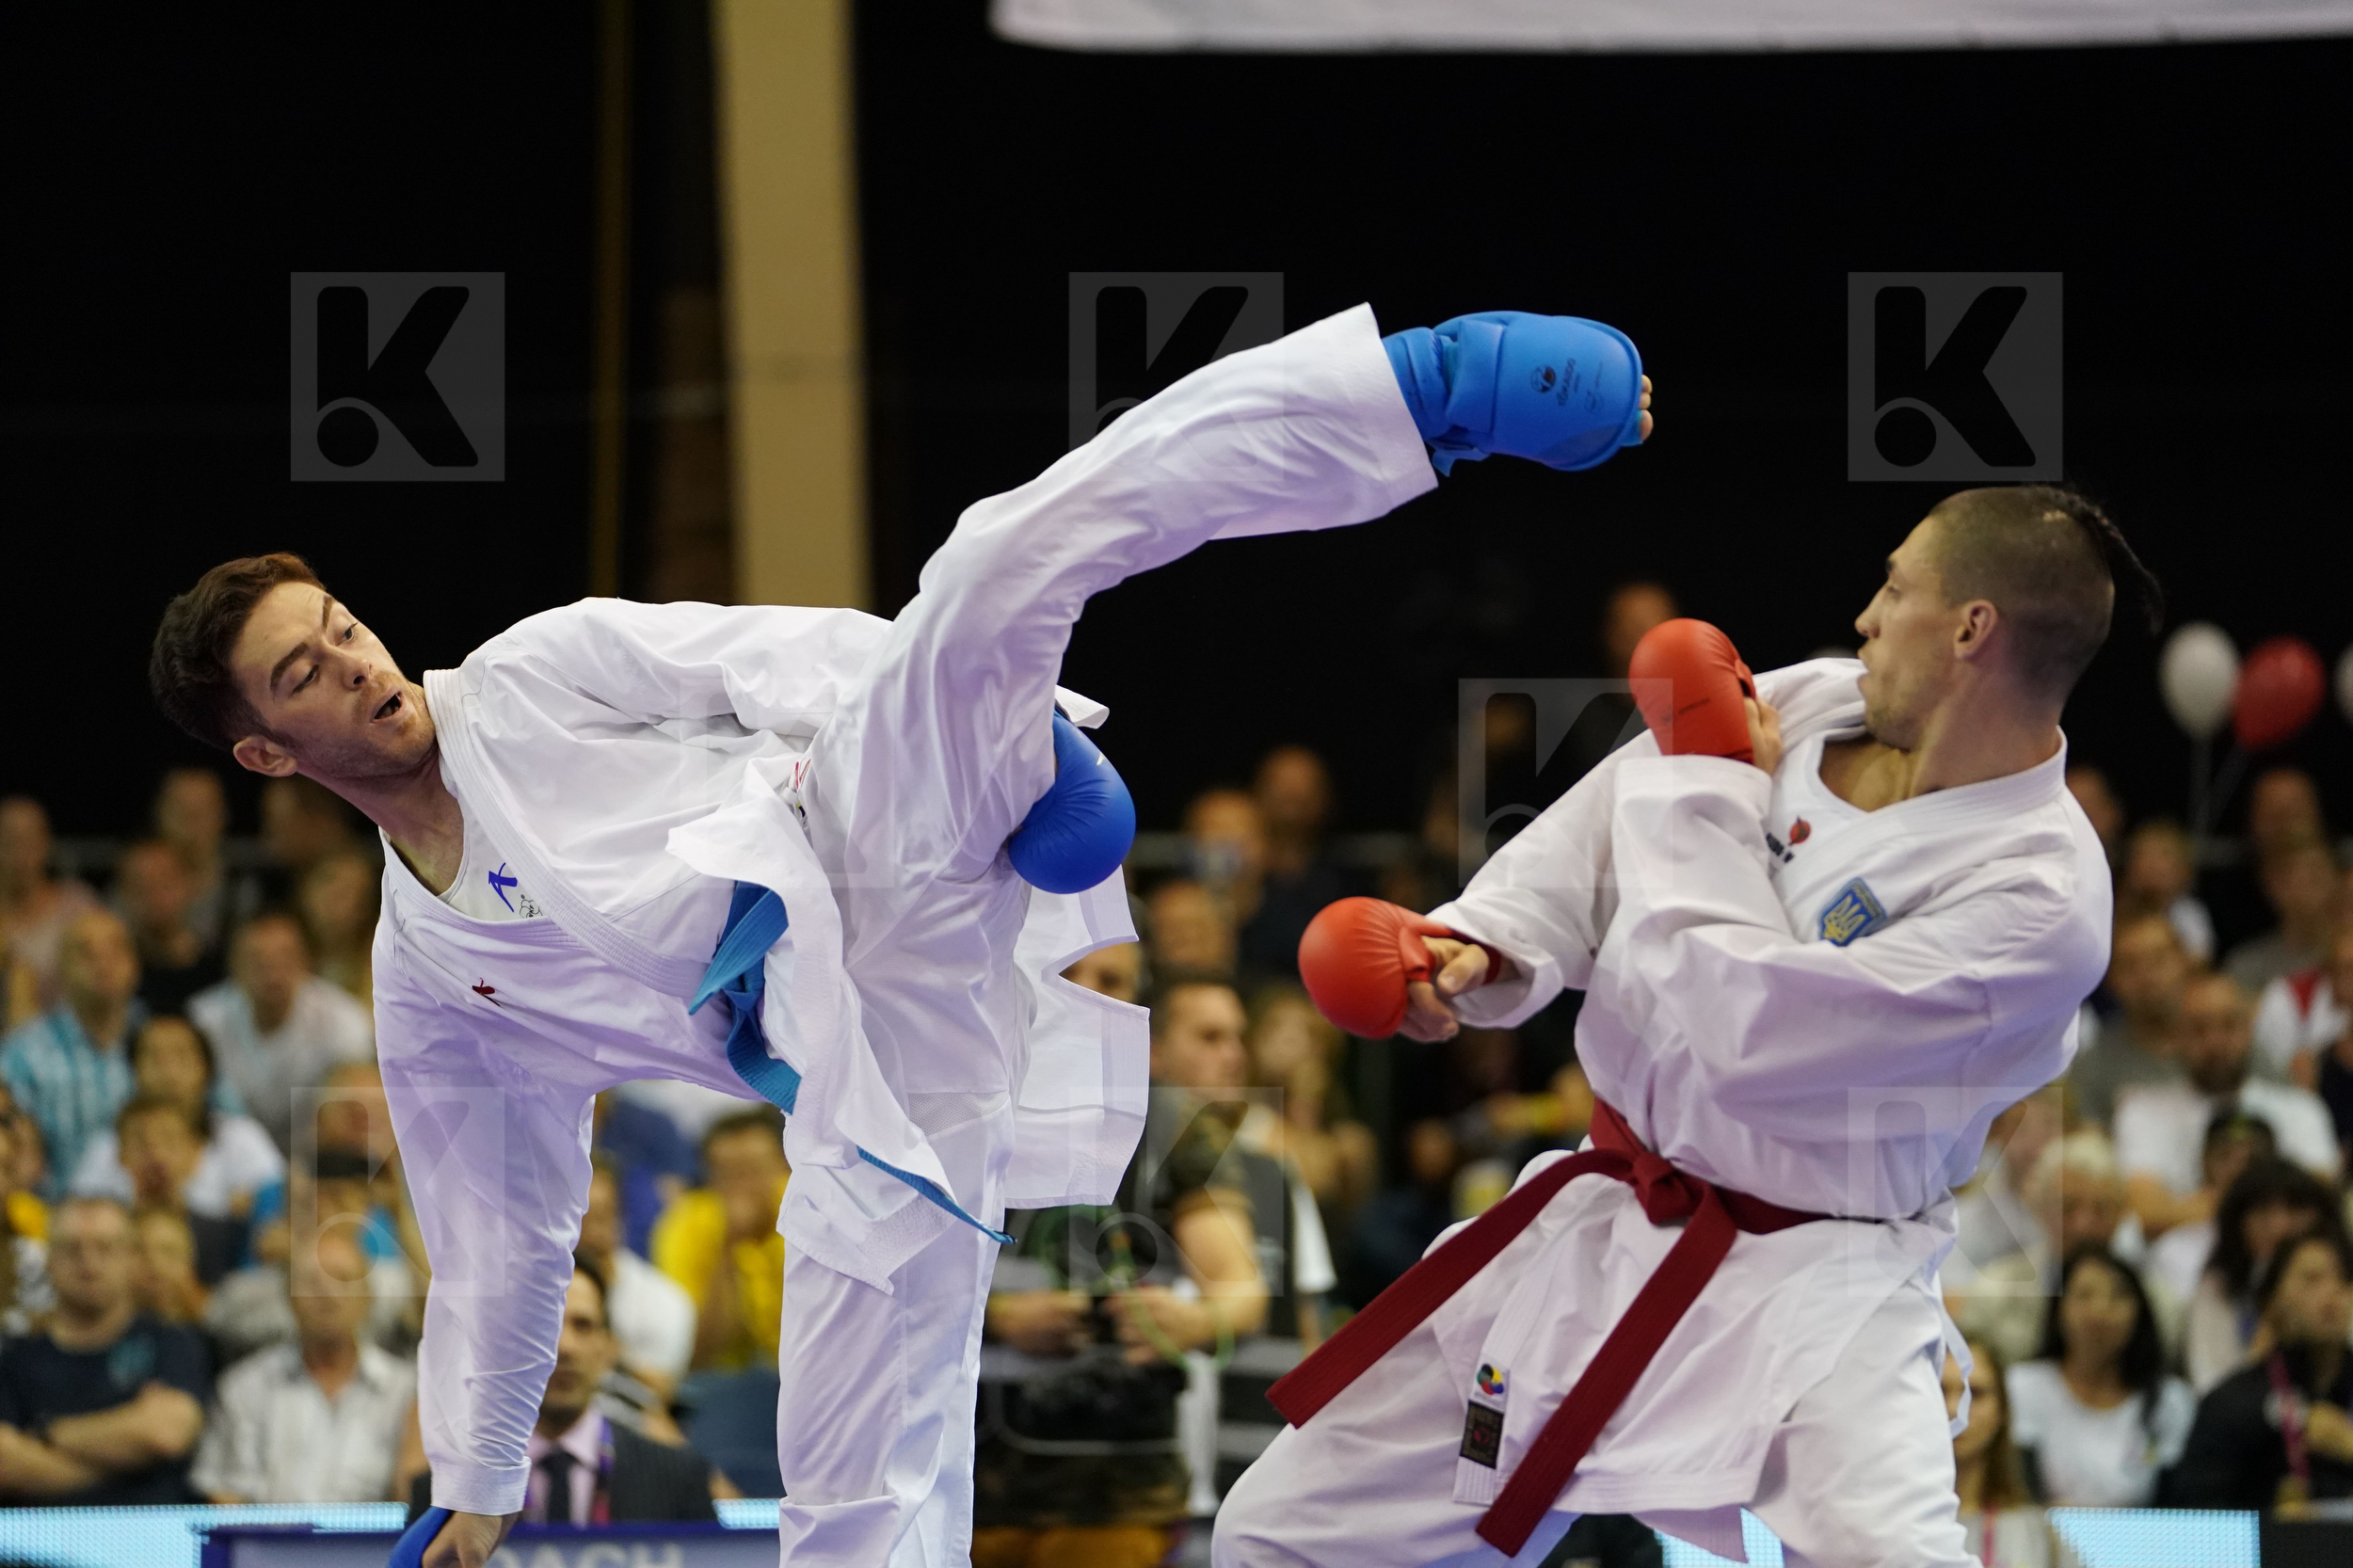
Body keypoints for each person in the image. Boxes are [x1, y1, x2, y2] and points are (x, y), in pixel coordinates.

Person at [151, 301, 1650, 1567]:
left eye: (338, 624)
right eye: (304, 674)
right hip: (875, 1075)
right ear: (268, 755)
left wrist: (998, 739)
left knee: (1000, 562)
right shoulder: (432, 983)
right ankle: (1001, 744)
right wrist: (476, 1483)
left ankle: (1421, 391)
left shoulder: (529, 674)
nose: (353, 664)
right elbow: (499, 1231)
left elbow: (776, 653)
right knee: (847, 1495)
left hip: (863, 815)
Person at [1219, 482, 2146, 1567]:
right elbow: (1603, 829)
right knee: (1281, 1534)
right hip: (1606, 1225)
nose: (1866, 617)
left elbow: (1747, 1033)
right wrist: (1486, 942)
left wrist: (1705, 783)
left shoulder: (2038, 898)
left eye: (1895, 587)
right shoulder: (1810, 698)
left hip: (1816, 1291)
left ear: (1969, 627)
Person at [410, 1258, 718, 1525]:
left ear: (609, 1349)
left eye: (583, 1325)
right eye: (544, 1325)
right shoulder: (446, 1490)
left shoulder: (677, 1479)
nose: (564, 1347)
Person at [0, 1196, 209, 1504]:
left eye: (105, 1248)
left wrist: (46, 1434)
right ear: (49, 1260)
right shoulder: (14, 1357)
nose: (88, 1262)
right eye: (72, 1248)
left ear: (130, 1258)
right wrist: (127, 1454)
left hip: (153, 1541)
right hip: (36, 1545)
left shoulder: (172, 1342)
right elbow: (6, 1463)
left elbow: (165, 1433)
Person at [192, 1225, 415, 1503]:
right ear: (289, 1298)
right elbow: (226, 1494)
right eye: (312, 1282)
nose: (328, 1295)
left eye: (343, 1278)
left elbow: (415, 1499)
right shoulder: (244, 1387)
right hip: (269, 1544)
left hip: (379, 1545)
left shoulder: (406, 1391)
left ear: (368, 1296)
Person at [2112, 970, 2339, 1238]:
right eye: (2199, 1029)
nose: (2215, 1042)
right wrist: (2263, 1204)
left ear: (2250, 1029)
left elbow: (2321, 1201)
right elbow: (2145, 1213)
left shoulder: (2301, 1109)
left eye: (2228, 1025)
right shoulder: (2141, 1112)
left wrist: (2187, 1207)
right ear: (2175, 1036)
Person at [2167, 1224, 2353, 1510]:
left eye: (2344, 1279)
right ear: (2271, 1301)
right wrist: (2269, 1522)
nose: (2332, 1294)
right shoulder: (2231, 1403)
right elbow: (2198, 1518)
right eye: (2312, 1280)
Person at [2006, 1246, 2195, 1507]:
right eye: (2084, 1295)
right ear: (2058, 1307)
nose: (2100, 1310)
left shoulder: (2170, 1400)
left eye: (2117, 1296)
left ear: (2140, 1311)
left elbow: (2178, 1502)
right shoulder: (2023, 1387)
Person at [188, 911, 374, 1152]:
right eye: (257, 961)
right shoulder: (202, 1020)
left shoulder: (346, 1023)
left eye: (283, 958)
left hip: (322, 1156)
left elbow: (360, 1110)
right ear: (234, 965)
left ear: (307, 961)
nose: (272, 972)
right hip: (229, 1157)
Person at [69, 1014, 283, 1220]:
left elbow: (277, 1205)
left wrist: (252, 1213)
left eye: (181, 1055)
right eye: (154, 1057)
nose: (168, 1070)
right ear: (134, 1071)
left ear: (207, 1070)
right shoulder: (106, 1148)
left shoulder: (240, 1137)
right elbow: (79, 1214)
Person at [0, 908, 141, 1199]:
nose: (103, 964)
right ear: (61, 968)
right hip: (52, 1219)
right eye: (87, 954)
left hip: (144, 1224)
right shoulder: (23, 1053)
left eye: (115, 952)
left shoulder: (162, 1040)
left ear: (135, 965)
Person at [2180, 1157, 2338, 1393]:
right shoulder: (2218, 1287)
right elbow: (2210, 1386)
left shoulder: (2343, 1282)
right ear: (2238, 1222)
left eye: (2294, 1209)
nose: (2280, 1226)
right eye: (2263, 1211)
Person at [650, 1108, 789, 1373]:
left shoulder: (813, 1212)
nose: (743, 1189)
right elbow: (698, 1354)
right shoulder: (687, 1222)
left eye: (755, 1171)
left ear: (785, 1166)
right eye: (729, 1175)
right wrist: (729, 1246)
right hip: (728, 1382)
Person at [577, 1157, 696, 1400]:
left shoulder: (665, 1303)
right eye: (575, 1220)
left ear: (620, 1219)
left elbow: (658, 1396)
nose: (585, 1234)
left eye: (599, 1217)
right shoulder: (523, 1293)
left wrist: (618, 1360)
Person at [2066, 912, 2190, 1128]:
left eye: (2157, 960)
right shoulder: (2094, 1063)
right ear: (2110, 978)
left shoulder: (2220, 1038)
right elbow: (2087, 1140)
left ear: (2184, 961)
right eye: (2130, 966)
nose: (2146, 976)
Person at [1944, 1336, 2054, 1568]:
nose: (1954, 1410)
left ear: (2003, 1411)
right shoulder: (1884, 1524)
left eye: (1975, 1393)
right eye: (1940, 1391)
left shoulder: (2039, 1532)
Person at [0, 797, 102, 1031]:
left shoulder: (78, 907)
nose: (19, 851)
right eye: (9, 839)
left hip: (68, 1043)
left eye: (28, 839)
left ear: (46, 842)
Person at [114, 840, 225, 1018]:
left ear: (190, 885)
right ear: (123, 894)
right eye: (140, 885)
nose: (154, 894)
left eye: (164, 881)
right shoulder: (115, 981)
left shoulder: (221, 971)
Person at [2224, 831, 2342, 995]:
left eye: (2316, 872)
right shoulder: (2246, 965)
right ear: (2271, 884)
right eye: (2299, 876)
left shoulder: (2346, 958)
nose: (2312, 887)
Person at [153, 767, 253, 953]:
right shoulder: (135, 887)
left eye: (202, 812)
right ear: (159, 815)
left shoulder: (242, 892)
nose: (191, 823)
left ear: (222, 817)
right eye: (180, 812)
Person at [2119, 818, 2216, 966]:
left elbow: (2200, 961)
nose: (2153, 866)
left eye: (2164, 855)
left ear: (2186, 871)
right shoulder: (2119, 913)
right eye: (2144, 855)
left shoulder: (2189, 914)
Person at [300, 849, 380, 1005]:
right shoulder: (281, 952)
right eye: (325, 882)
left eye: (346, 891)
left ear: (364, 908)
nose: (331, 897)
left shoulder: (380, 965)